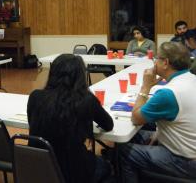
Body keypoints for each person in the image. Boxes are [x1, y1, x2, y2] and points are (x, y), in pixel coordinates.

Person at [27, 54, 114, 183]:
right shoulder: (86, 99)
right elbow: (108, 124)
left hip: (40, 167)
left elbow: (32, 122)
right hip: (75, 172)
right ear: (80, 76)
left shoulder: (35, 97)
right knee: (108, 165)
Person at [119, 42, 196, 182]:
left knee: (123, 151)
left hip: (186, 161)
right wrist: (159, 134)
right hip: (189, 147)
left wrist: (145, 86)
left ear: (165, 62)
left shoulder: (168, 93)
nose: (154, 62)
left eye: (157, 58)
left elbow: (136, 118)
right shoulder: (191, 79)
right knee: (137, 135)